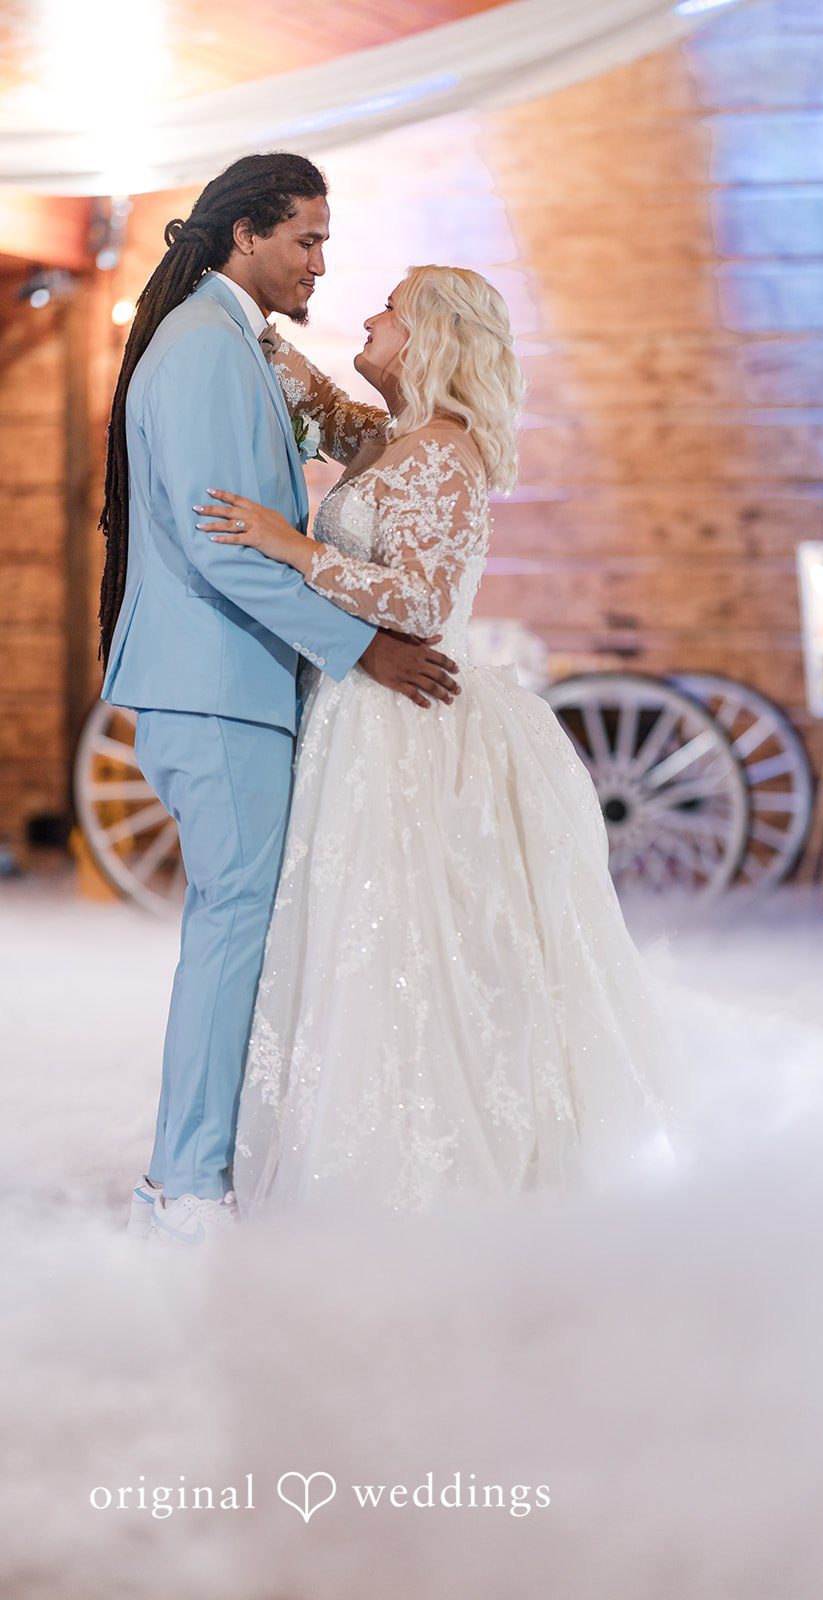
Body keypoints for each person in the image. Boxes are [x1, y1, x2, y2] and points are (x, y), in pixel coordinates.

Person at [193, 264, 677, 1223]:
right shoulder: (393, 440)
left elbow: (420, 602)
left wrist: (289, 547)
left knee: (405, 938)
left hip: (405, 726)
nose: (368, 315)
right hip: (353, 716)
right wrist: (246, 318)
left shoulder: (440, 456)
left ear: (429, 338)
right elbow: (324, 403)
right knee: (349, 934)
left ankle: (428, 1176)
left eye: (389, 306)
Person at [98, 154, 460, 1248]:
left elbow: (354, 445)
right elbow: (226, 553)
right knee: (233, 929)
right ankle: (183, 1185)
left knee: (247, 926)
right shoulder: (206, 349)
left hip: (234, 683)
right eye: (305, 238)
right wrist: (365, 651)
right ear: (245, 235)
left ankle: (212, 1164)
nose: (319, 262)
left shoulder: (243, 346)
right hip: (214, 685)